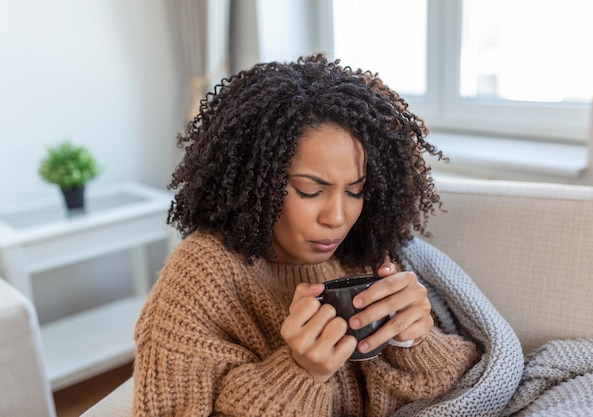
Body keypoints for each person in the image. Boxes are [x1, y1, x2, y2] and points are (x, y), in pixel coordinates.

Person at [133, 54, 479, 417]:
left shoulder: (364, 253)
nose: (338, 218)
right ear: (255, 186)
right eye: (310, 191)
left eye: (355, 191)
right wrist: (300, 373)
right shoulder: (201, 279)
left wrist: (414, 340)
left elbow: (459, 383)